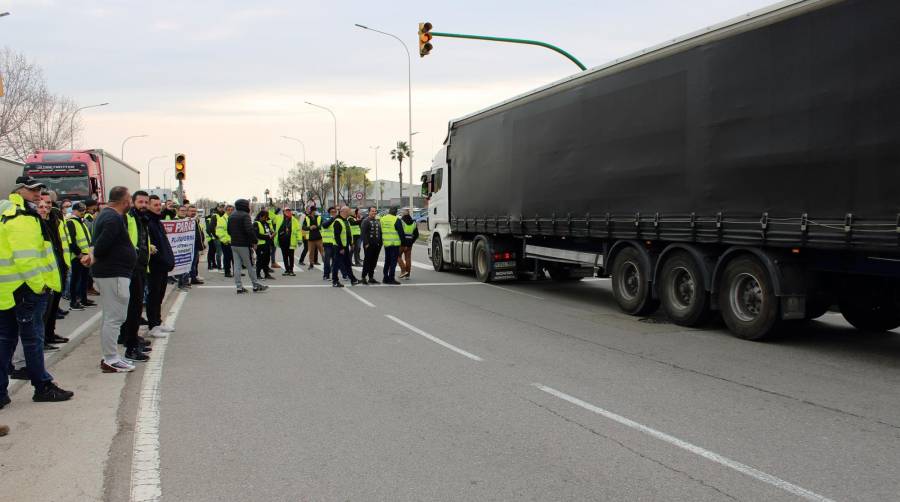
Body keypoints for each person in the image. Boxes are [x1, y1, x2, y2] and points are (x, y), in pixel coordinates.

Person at [0, 176, 74, 402]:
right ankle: (42, 386)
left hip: (9, 289)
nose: (37, 193)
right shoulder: (21, 217)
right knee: (32, 339)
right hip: (25, 289)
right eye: (31, 189)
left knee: (6, 340)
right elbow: (26, 258)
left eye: (39, 189)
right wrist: (39, 285)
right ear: (19, 190)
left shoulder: (11, 213)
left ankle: (1, 392)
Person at [92, 186, 141, 372]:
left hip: (111, 273)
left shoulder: (105, 215)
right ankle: (111, 359)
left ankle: (110, 356)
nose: (130, 202)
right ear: (123, 201)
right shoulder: (113, 218)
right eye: (129, 198)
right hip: (114, 274)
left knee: (110, 316)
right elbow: (102, 245)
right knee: (115, 317)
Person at [118, 190, 152, 362]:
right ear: (132, 202)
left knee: (136, 307)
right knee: (133, 308)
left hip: (140, 267)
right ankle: (130, 346)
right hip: (131, 268)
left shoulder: (141, 219)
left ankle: (131, 337)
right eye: (140, 202)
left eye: (146, 202)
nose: (144, 205)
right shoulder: (128, 218)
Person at [146, 195, 175, 338]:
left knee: (160, 295)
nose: (158, 207)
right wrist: (164, 260)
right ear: (148, 206)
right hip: (154, 266)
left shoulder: (158, 221)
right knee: (153, 296)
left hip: (162, 266)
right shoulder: (148, 222)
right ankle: (152, 325)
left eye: (159, 204)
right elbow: (152, 248)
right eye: (155, 205)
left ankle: (158, 322)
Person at [228, 199, 268, 294]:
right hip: (244, 245)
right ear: (244, 206)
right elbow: (249, 230)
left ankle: (239, 287)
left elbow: (229, 230)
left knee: (237, 266)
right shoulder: (245, 215)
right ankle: (255, 285)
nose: (249, 206)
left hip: (234, 244)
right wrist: (254, 241)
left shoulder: (232, 215)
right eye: (248, 205)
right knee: (250, 265)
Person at [66, 202, 95, 311]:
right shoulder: (71, 222)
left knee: (84, 279)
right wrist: (79, 254)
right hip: (77, 256)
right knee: (75, 279)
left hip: (85, 255)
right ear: (74, 210)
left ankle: (83, 299)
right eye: (80, 210)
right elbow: (71, 241)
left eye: (83, 210)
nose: (82, 212)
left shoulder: (81, 222)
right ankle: (73, 302)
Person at [330, 207, 359, 287]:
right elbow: (337, 236)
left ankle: (353, 279)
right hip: (339, 247)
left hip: (345, 246)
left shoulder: (346, 220)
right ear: (344, 211)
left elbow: (348, 233)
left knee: (347, 263)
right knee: (336, 264)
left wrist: (351, 243)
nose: (350, 211)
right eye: (349, 210)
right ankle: (335, 281)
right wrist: (341, 248)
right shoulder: (337, 221)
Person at [360, 206, 382, 285]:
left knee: (374, 262)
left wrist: (380, 243)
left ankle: (371, 277)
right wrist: (366, 243)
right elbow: (363, 233)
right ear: (369, 212)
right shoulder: (365, 221)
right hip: (369, 245)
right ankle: (363, 277)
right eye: (372, 211)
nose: (374, 212)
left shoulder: (377, 221)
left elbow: (380, 233)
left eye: (375, 211)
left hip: (377, 245)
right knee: (367, 261)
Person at [277, 207, 301, 276]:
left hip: (291, 241)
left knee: (291, 256)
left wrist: (299, 239)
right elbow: (272, 216)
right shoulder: (280, 218)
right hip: (282, 241)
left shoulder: (294, 220)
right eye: (286, 211)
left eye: (289, 211)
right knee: (284, 256)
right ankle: (287, 270)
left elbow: (298, 230)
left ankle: (291, 270)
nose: (287, 212)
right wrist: (276, 209)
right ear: (284, 212)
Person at [83, 199, 100, 296]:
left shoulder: (90, 217)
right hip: (88, 245)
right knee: (89, 270)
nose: (96, 208)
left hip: (89, 245)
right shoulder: (88, 217)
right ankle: (89, 288)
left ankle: (89, 287)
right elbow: (90, 229)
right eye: (95, 206)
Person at [380, 207, 402, 285]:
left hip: (386, 243)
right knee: (393, 262)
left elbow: (380, 230)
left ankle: (385, 278)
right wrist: (403, 243)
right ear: (396, 212)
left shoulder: (382, 219)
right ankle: (391, 278)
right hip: (394, 244)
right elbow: (401, 232)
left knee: (387, 261)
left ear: (389, 211)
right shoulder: (397, 219)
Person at [397, 208, 420, 280]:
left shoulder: (401, 222)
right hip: (409, 244)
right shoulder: (414, 222)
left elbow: (399, 233)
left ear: (403, 214)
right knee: (408, 259)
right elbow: (416, 235)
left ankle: (403, 270)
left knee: (397, 256)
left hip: (402, 243)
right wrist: (411, 242)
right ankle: (408, 275)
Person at [254, 210, 275, 280]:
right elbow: (257, 235)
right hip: (260, 245)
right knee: (260, 260)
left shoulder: (266, 223)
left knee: (267, 260)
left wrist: (272, 234)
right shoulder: (256, 223)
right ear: (260, 216)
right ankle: (258, 274)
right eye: (264, 217)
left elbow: (268, 232)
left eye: (266, 217)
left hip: (267, 244)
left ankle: (266, 274)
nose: (266, 218)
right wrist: (269, 237)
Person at [188, 205, 205, 285]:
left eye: (194, 211)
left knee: (195, 262)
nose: (193, 213)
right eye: (191, 211)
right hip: (189, 246)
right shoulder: (187, 221)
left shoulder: (196, 220)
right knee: (191, 263)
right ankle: (192, 278)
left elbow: (199, 233)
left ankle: (193, 277)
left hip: (196, 244)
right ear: (188, 212)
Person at [303, 205, 323, 269]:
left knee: (322, 252)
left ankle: (326, 263)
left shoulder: (319, 217)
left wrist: (316, 227)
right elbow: (303, 227)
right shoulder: (307, 218)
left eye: (315, 210)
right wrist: (310, 227)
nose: (314, 212)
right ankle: (311, 264)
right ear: (311, 211)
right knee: (311, 252)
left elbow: (322, 225)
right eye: (313, 211)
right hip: (310, 238)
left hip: (319, 237)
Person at [320, 206, 337, 281]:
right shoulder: (325, 218)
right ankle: (326, 275)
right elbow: (325, 225)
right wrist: (332, 218)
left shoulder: (337, 220)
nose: (334, 213)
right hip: (327, 242)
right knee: (327, 260)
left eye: (335, 212)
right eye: (332, 212)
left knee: (335, 260)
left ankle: (333, 274)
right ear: (329, 212)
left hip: (335, 243)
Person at [216, 205, 234, 277]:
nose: (230, 211)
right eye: (228, 210)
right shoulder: (221, 219)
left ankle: (236, 271)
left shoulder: (234, 218)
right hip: (226, 242)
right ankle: (227, 272)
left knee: (235, 258)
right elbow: (219, 231)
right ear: (225, 210)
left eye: (231, 210)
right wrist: (224, 240)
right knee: (227, 257)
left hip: (234, 242)